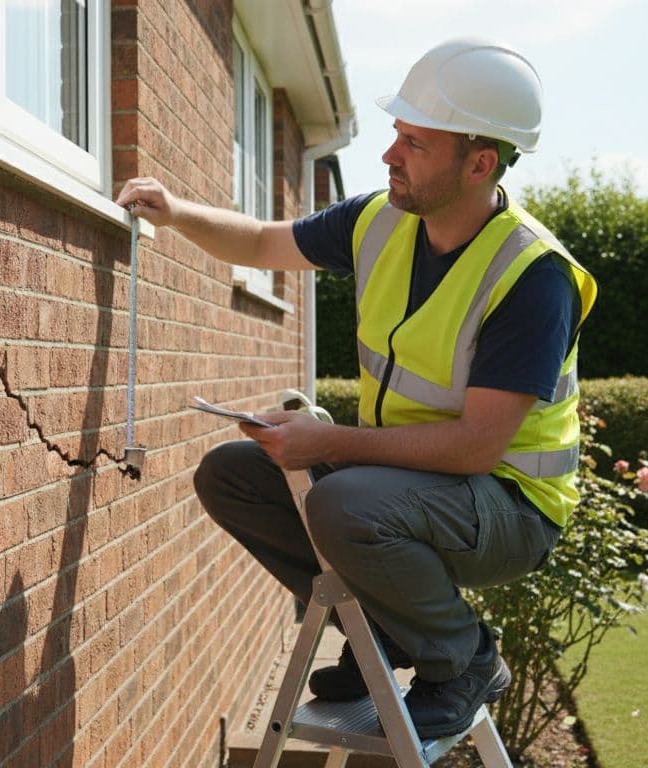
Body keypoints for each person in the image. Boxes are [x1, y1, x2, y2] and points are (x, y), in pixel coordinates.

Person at [115, 37, 596, 740]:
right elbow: (258, 243)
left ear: (480, 162)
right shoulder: (378, 221)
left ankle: (465, 659)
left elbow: (475, 447)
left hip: (512, 508)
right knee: (235, 476)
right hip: (404, 478)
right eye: (396, 135)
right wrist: (174, 211)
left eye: (415, 143)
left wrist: (328, 442)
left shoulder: (534, 277)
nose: (389, 155)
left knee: (342, 500)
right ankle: (389, 633)